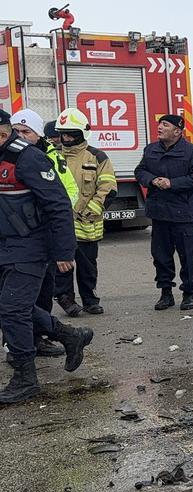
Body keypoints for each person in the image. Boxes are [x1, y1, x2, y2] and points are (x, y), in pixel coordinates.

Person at [0, 108, 94, 404]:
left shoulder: (27, 158)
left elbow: (57, 204)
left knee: (13, 310)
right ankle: (69, 336)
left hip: (30, 246)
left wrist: (64, 251)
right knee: (15, 307)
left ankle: (26, 377)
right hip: (5, 245)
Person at [9, 109, 78, 357]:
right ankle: (20, 344)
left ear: (38, 135)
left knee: (40, 295)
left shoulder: (45, 158)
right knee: (15, 301)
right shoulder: (8, 157)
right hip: (16, 240)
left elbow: (63, 196)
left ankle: (38, 340)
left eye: (26, 131)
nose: (20, 136)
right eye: (15, 131)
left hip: (42, 237)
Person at [135, 114, 193, 311]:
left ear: (177, 131)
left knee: (188, 256)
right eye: (159, 124)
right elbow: (139, 172)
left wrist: (172, 183)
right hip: (159, 213)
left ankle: (189, 293)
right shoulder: (151, 150)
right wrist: (152, 180)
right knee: (161, 257)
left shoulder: (192, 151)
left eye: (165, 125)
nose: (159, 127)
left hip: (183, 213)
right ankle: (165, 293)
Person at [53, 108, 117, 317]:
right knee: (63, 267)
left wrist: (92, 209)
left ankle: (90, 300)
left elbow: (108, 187)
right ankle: (66, 300)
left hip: (87, 224)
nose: (66, 138)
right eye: (63, 133)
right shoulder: (53, 156)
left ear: (81, 133)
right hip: (61, 225)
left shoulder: (97, 156)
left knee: (88, 267)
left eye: (70, 133)